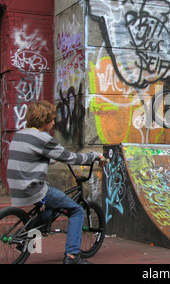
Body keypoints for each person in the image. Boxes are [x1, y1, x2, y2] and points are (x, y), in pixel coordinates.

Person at [7, 100, 105, 264]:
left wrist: (52, 160)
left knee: (51, 207)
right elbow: (72, 158)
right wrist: (94, 155)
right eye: (51, 119)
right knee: (76, 210)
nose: (53, 123)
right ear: (43, 119)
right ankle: (72, 256)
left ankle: (25, 240)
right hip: (34, 189)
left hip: (17, 187)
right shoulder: (44, 139)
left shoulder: (20, 134)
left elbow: (34, 157)